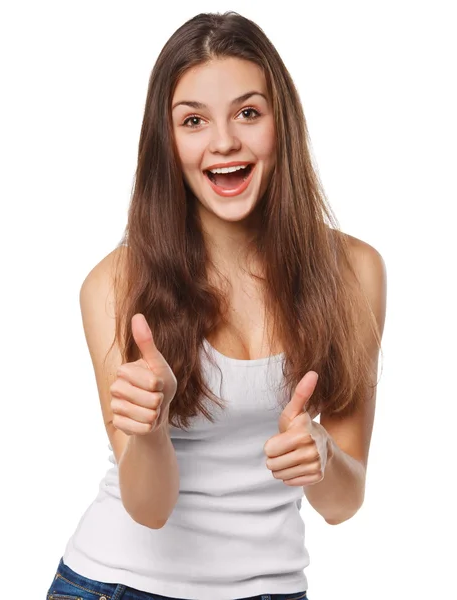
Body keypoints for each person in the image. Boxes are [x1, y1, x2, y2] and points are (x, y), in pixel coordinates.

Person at [45, 10, 387, 600]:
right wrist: (150, 431)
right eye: (194, 121)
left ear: (283, 122)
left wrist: (323, 454)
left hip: (273, 590)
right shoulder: (116, 284)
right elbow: (148, 510)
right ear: (167, 141)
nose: (224, 142)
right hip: (119, 586)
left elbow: (344, 504)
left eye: (248, 113)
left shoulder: (354, 272)